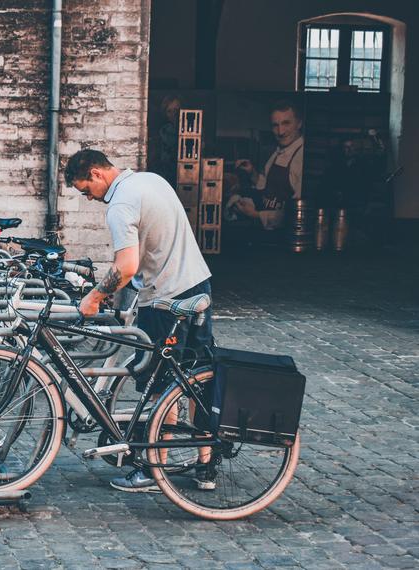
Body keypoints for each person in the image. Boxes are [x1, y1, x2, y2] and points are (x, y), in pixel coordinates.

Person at [64, 148, 215, 493]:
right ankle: (206, 465)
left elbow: (126, 265)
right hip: (197, 285)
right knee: (196, 377)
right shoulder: (151, 180)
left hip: (165, 298)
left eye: (86, 190)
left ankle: (153, 468)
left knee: (161, 383)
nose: (90, 199)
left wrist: (94, 297)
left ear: (97, 175)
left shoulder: (120, 204)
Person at [227, 101, 305, 230]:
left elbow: (294, 214)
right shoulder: (278, 151)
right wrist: (253, 174)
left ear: (299, 123)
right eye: (275, 125)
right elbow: (268, 186)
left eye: (286, 123)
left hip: (285, 235)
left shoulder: (301, 158)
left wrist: (255, 215)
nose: (280, 131)